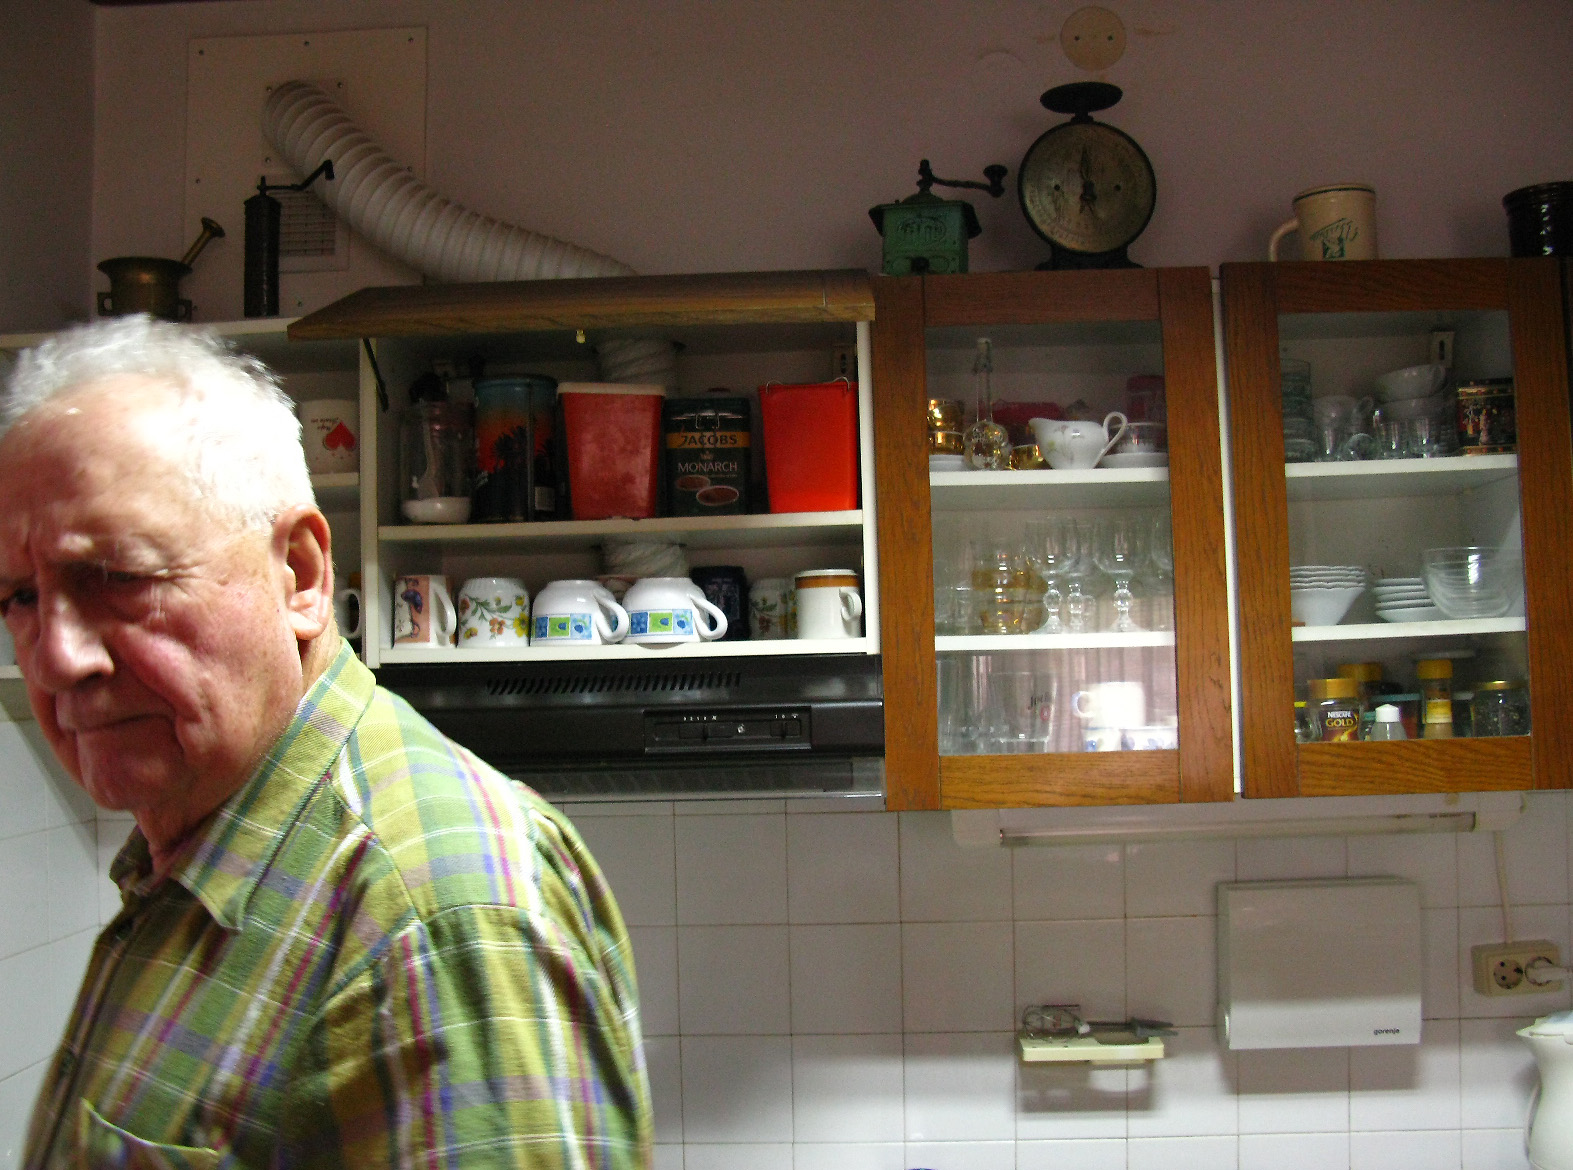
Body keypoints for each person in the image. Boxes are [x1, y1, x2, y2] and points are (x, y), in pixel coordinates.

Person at [0, 315, 652, 1168]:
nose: (56, 657)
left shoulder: (434, 913)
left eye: (120, 578)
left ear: (301, 576)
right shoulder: (196, 847)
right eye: (18, 596)